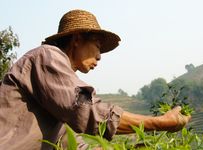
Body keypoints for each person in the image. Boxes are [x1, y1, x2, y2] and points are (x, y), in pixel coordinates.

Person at [0, 9, 191, 150]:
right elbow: (86, 108)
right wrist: (160, 122)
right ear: (77, 39)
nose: (99, 56)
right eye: (98, 46)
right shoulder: (46, 57)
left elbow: (72, 144)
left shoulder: (58, 97)